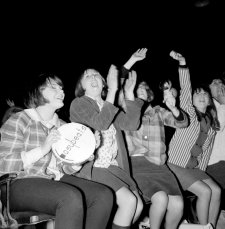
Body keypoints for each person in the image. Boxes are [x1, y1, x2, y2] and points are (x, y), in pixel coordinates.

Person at [0, 73, 114, 229]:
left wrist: (81, 157)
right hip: (19, 183)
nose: (61, 91)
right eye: (53, 87)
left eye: (61, 87)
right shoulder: (20, 119)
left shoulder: (62, 126)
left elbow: (65, 168)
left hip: (53, 179)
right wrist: (42, 149)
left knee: (103, 195)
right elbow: (3, 163)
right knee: (70, 197)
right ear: (37, 92)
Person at [69, 64, 144, 229]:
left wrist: (130, 95)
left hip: (113, 166)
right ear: (81, 85)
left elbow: (131, 124)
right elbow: (100, 123)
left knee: (138, 206)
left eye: (96, 74)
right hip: (93, 166)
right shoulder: (79, 104)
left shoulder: (108, 106)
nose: (93, 77)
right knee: (129, 201)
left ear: (103, 83)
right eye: (87, 75)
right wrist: (113, 91)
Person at [121, 48, 188, 229]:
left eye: (144, 88)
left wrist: (174, 108)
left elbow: (182, 123)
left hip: (159, 165)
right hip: (137, 164)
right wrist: (131, 61)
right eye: (137, 88)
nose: (141, 90)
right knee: (160, 198)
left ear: (150, 93)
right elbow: (116, 84)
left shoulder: (158, 111)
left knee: (178, 204)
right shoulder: (126, 109)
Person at [167, 51, 221, 228]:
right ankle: (203, 226)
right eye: (197, 93)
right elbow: (185, 87)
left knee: (216, 190)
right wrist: (182, 63)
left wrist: (203, 171)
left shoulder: (211, 123)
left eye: (205, 94)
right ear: (191, 99)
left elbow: (206, 152)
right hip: (176, 164)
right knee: (205, 192)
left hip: (194, 168)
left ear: (209, 101)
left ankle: (211, 225)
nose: (201, 95)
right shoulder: (189, 113)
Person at [206, 77, 225, 190]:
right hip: (217, 162)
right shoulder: (207, 106)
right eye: (214, 83)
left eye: (221, 82)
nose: (219, 85)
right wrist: (223, 101)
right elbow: (218, 126)